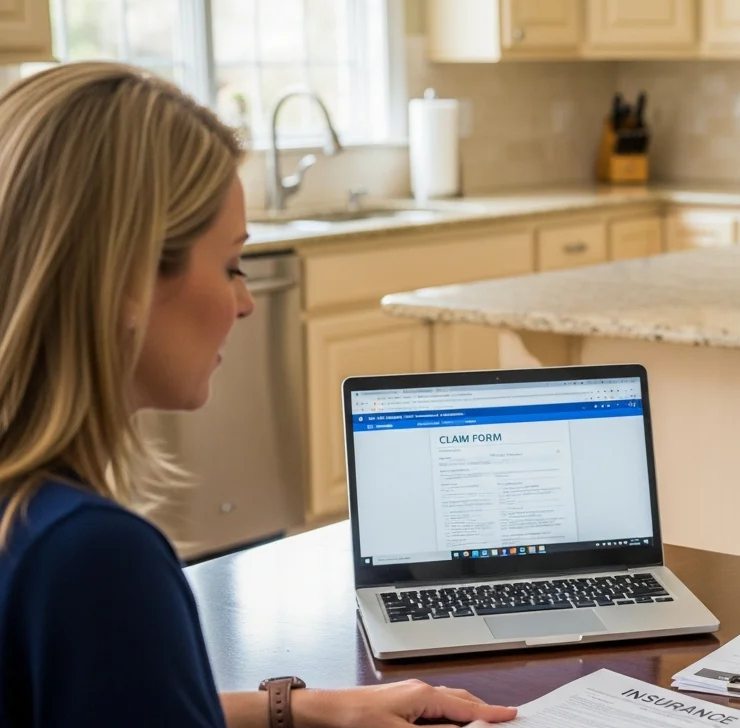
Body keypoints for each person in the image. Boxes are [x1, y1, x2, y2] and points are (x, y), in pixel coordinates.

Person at [0, 63, 518, 727]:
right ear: (126, 281)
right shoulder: (93, 558)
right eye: (230, 265)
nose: (243, 302)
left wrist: (308, 707)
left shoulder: (34, 527)